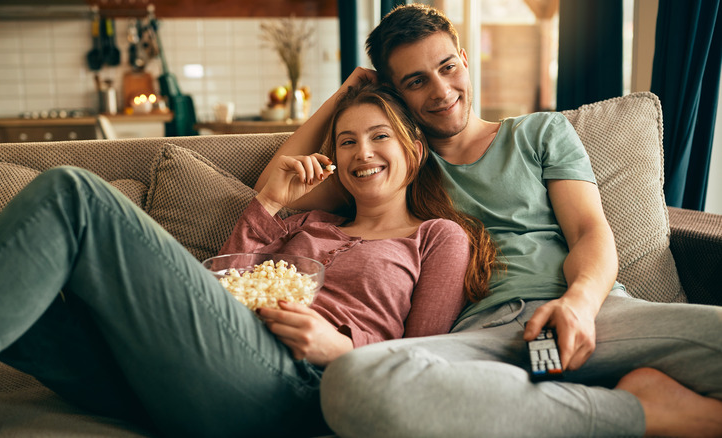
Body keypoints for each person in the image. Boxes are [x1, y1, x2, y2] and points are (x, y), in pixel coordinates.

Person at [256, 4, 722, 437]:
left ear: (463, 58)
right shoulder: (394, 163)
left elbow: (590, 232)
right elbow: (278, 182)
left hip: (592, 313)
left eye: (447, 67)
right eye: (416, 82)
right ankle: (641, 412)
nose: (441, 91)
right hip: (478, 340)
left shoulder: (541, 132)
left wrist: (578, 305)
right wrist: (352, 90)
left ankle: (539, 407)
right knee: (351, 383)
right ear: (395, 94)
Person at [0, 82, 498, 437]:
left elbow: (431, 359)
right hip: (188, 371)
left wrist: (342, 350)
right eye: (347, 141)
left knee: (75, 195)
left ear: (414, 149)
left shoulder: (438, 237)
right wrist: (272, 202)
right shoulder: (309, 223)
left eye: (380, 137)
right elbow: (230, 276)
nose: (363, 153)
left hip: (290, 389)